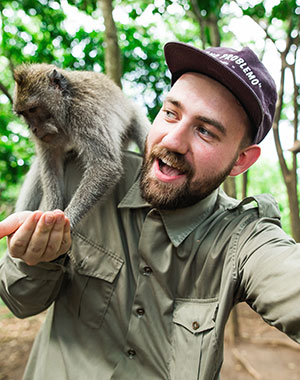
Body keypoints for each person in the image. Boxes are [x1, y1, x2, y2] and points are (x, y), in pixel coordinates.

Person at [0, 41, 299, 380]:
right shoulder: (73, 171)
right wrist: (36, 258)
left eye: (205, 131)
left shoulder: (242, 239)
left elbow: (286, 276)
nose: (172, 140)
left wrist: (67, 217)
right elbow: (20, 302)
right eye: (171, 113)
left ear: (242, 160)